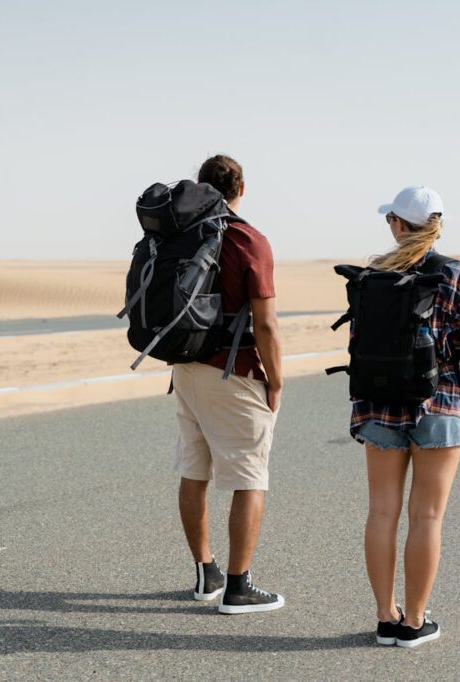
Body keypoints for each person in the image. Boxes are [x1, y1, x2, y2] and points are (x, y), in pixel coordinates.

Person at [352, 186, 460, 647]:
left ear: (397, 224)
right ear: (438, 224)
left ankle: (384, 617)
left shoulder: (373, 274)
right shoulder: (457, 273)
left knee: (381, 513)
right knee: (427, 517)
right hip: (441, 404)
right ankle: (414, 622)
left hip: (378, 405)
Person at [173, 154, 285, 614]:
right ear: (241, 187)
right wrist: (275, 380)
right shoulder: (247, 238)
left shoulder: (181, 236)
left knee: (193, 470)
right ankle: (239, 587)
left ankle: (206, 574)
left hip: (184, 367)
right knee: (249, 477)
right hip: (233, 371)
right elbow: (267, 324)